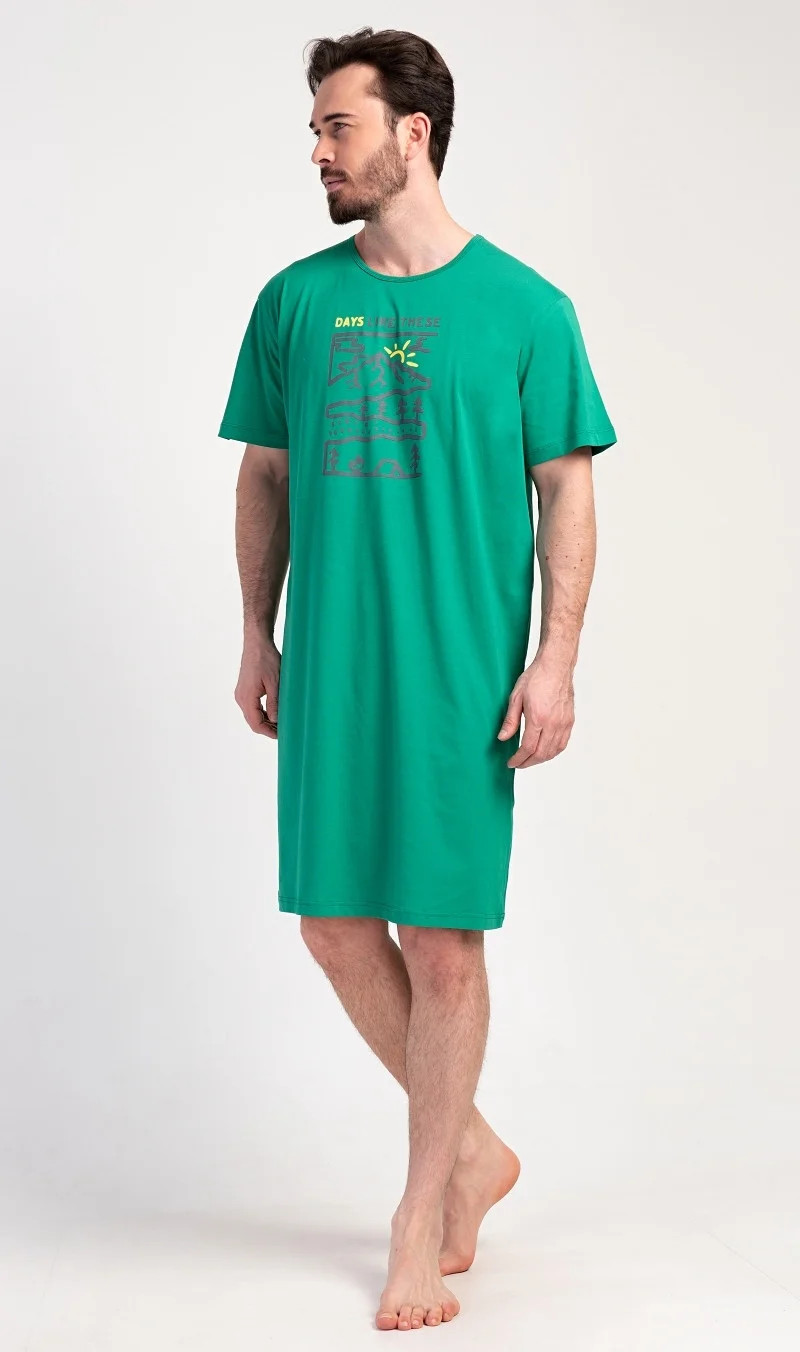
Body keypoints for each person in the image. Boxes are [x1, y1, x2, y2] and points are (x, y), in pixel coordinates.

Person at [217, 25, 617, 1333]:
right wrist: (257, 633)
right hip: (332, 670)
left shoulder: (527, 310)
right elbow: (266, 473)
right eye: (315, 131)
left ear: (413, 134)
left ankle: (419, 1212)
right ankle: (478, 1151)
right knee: (334, 926)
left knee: (442, 946)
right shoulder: (294, 302)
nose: (319, 153)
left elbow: (566, 489)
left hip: (462, 679)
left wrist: (556, 660)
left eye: (338, 126)